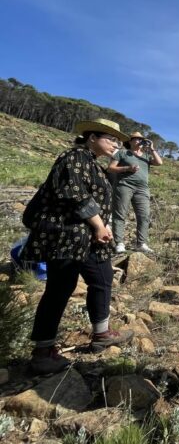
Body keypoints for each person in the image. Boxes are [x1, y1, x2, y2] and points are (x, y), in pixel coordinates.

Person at [21, 118, 134, 375]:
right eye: (110, 138)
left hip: (89, 238)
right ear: (91, 137)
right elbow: (75, 194)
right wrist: (98, 225)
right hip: (66, 235)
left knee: (103, 276)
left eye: (117, 140)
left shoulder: (93, 163)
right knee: (60, 288)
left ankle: (101, 332)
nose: (115, 143)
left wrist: (98, 228)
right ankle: (42, 352)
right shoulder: (73, 157)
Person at [108, 131, 163, 253]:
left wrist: (152, 149)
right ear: (130, 141)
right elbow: (111, 168)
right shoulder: (122, 153)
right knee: (120, 214)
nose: (139, 141)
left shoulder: (146, 156)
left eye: (141, 139)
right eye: (136, 139)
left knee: (144, 216)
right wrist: (127, 168)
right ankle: (119, 243)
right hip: (124, 185)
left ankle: (141, 243)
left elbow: (159, 162)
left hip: (142, 189)